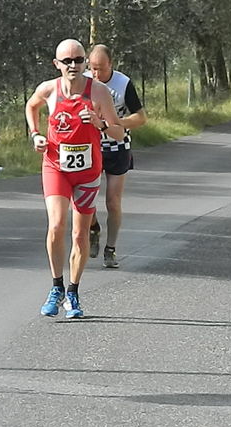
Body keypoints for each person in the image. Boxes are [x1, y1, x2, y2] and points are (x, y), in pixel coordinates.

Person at [25, 39, 124, 318]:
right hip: (56, 167)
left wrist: (99, 123)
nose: (73, 66)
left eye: (78, 60)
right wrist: (36, 135)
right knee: (56, 225)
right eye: (67, 61)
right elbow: (31, 107)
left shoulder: (99, 92)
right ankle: (56, 286)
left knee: (80, 233)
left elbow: (119, 132)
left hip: (88, 172)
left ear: (85, 63)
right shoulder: (49, 90)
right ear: (56, 64)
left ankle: (73, 292)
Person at [85, 44, 147, 268]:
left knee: (113, 200)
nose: (96, 74)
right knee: (85, 199)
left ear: (111, 64)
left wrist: (117, 123)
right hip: (90, 148)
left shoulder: (123, 83)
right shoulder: (83, 82)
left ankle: (110, 249)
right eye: (92, 68)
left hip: (117, 147)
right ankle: (93, 228)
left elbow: (141, 117)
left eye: (100, 68)